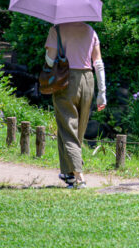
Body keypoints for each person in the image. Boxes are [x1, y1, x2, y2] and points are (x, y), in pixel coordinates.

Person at [43, 21, 106, 188]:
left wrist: (50, 56)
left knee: (67, 128)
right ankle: (68, 174)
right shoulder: (90, 30)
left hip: (66, 81)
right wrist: (102, 93)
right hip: (88, 81)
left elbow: (50, 61)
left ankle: (79, 176)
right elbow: (98, 63)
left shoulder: (56, 30)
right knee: (78, 130)